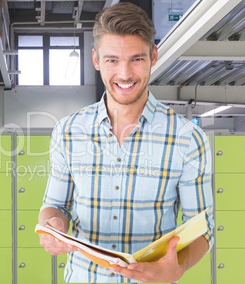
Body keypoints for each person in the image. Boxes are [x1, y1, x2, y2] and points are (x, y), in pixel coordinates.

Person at [38, 2, 214, 283]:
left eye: (136, 59)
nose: (124, 74)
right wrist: (52, 226)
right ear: (96, 60)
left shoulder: (188, 138)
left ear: (153, 55)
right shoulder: (68, 131)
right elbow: (55, 205)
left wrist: (178, 266)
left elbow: (202, 229)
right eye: (112, 60)